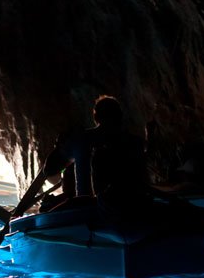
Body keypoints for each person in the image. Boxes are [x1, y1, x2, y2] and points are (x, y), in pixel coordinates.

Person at [17, 94, 150, 222]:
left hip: (88, 207)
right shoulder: (137, 143)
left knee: (45, 209)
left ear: (96, 117)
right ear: (120, 116)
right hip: (134, 206)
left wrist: (60, 146)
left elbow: (49, 169)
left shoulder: (81, 139)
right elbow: (144, 181)